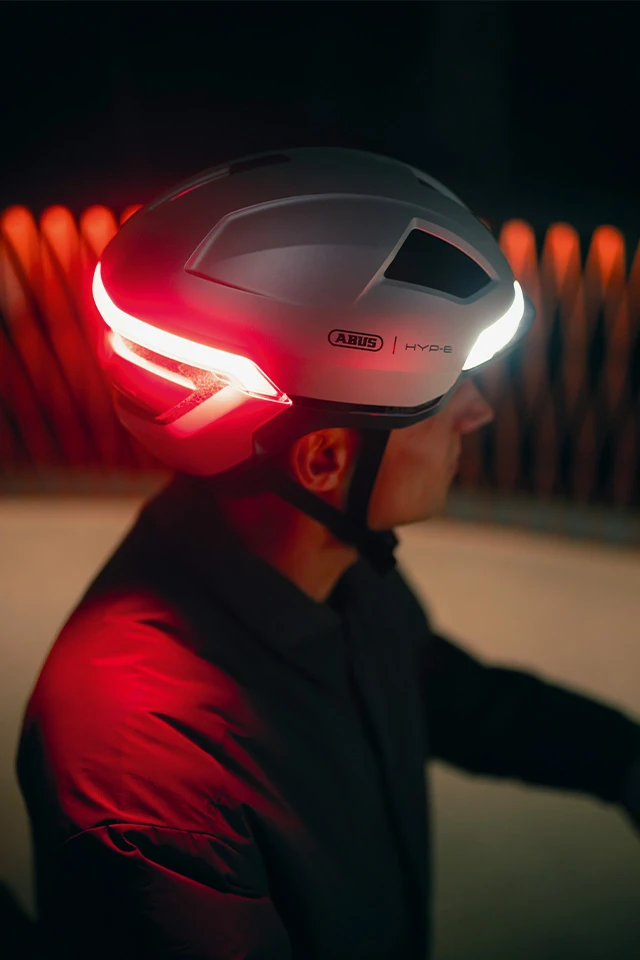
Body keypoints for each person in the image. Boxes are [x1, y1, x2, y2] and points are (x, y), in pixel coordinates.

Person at [16, 148, 640, 960]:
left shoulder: (324, 563)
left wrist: (623, 760)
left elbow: (427, 685)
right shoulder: (149, 787)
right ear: (324, 460)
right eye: (443, 396)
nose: (478, 413)